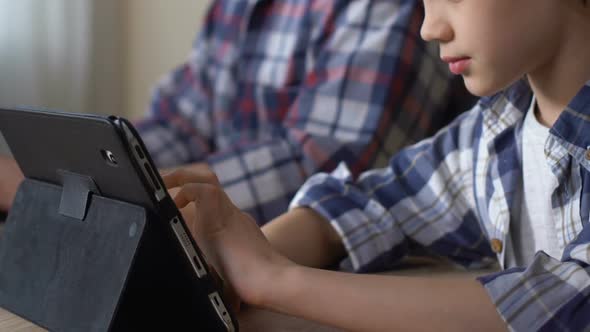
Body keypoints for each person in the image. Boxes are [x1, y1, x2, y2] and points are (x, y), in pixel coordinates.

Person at [162, 0, 590, 330]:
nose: (429, 26)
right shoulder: (497, 130)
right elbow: (382, 201)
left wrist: (276, 279)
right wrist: (230, 257)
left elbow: (570, 301)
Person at [132, 0, 474, 224]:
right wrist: (114, 164)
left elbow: (333, 171)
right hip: (260, 249)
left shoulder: (383, 7)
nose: (433, 28)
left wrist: (161, 195)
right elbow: (184, 119)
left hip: (338, 264)